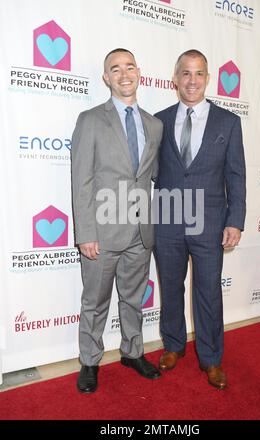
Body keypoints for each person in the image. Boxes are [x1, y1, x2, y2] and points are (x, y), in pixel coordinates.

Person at [71, 48, 163, 393]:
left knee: (134, 299)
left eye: (129, 67)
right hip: (102, 232)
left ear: (139, 71)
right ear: (106, 78)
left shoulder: (155, 125)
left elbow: (151, 176)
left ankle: (132, 352)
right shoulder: (91, 120)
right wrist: (85, 233)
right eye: (115, 69)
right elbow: (81, 180)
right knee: (95, 301)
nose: (124, 75)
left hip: (141, 232)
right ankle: (90, 361)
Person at [154, 49, 246, 389]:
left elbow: (236, 175)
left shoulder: (228, 121)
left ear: (208, 78)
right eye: (186, 73)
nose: (192, 80)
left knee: (208, 292)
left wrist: (235, 220)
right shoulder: (158, 121)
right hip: (168, 221)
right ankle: (173, 345)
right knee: (171, 288)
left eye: (199, 73)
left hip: (210, 222)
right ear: (175, 79)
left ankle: (211, 359)